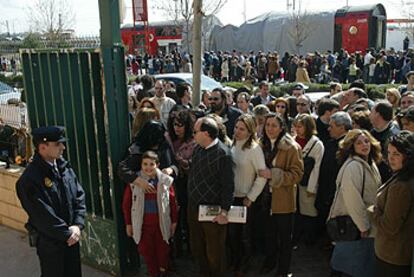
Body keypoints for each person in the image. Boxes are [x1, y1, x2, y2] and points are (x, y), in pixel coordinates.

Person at [16, 126, 86, 277]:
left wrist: (77, 225)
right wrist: (66, 234)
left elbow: (79, 196)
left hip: (72, 238)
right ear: (42, 147)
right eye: (58, 144)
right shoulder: (29, 180)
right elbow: (41, 215)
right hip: (52, 245)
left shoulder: (64, 168)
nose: (63, 147)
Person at [328, 129, 382, 277]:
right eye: (358, 143)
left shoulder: (369, 163)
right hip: (354, 225)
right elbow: (353, 200)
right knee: (350, 265)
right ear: (352, 146)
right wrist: (363, 225)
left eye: (366, 141)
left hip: (363, 225)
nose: (364, 145)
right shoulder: (354, 166)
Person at [187, 117, 234, 276]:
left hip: (213, 212)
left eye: (195, 131)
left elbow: (228, 185)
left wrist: (224, 212)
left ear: (206, 133)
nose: (192, 134)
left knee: (215, 252)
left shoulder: (223, 154)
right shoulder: (198, 148)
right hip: (194, 208)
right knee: (197, 248)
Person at [258, 114, 304, 276]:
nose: (270, 129)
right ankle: (270, 261)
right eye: (267, 125)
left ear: (281, 127)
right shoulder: (260, 144)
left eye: (274, 125)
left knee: (285, 238)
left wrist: (274, 175)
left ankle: (283, 269)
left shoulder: (292, 147)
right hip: (265, 198)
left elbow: (297, 174)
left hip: (283, 199)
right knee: (269, 235)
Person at [122, 151, 178, 277]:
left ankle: (163, 270)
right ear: (141, 165)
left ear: (157, 165)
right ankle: (153, 273)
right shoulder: (135, 181)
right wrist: (128, 224)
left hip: (161, 223)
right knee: (147, 252)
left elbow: (173, 202)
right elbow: (127, 204)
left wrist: (174, 221)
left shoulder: (165, 181)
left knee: (163, 251)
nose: (148, 167)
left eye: (151, 164)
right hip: (143, 225)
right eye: (145, 164)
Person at [370, 131, 414, 277]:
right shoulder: (402, 176)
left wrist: (372, 211)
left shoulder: (402, 185)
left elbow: (390, 227)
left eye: (397, 154)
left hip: (393, 256)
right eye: (389, 152)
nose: (391, 158)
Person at [228, 114, 267, 276]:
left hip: (246, 199)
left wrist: (251, 197)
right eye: (236, 128)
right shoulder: (232, 144)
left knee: (245, 235)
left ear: (250, 131)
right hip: (231, 197)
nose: (237, 131)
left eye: (242, 129)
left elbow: (262, 175)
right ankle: (235, 261)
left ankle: (245, 264)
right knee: (233, 234)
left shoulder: (254, 149)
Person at [166, 109, 196, 256]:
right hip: (172, 183)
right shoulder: (167, 139)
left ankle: (191, 248)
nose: (176, 128)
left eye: (180, 125)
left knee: (188, 218)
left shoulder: (194, 142)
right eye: (174, 124)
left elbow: (196, 163)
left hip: (189, 183)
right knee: (174, 216)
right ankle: (176, 249)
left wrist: (185, 163)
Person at [292, 114, 324, 247]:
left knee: (309, 212)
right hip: (294, 183)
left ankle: (309, 239)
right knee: (296, 212)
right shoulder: (293, 140)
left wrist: (312, 188)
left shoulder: (317, 144)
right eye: (295, 126)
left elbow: (317, 168)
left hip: (307, 184)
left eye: (300, 126)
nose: (297, 129)